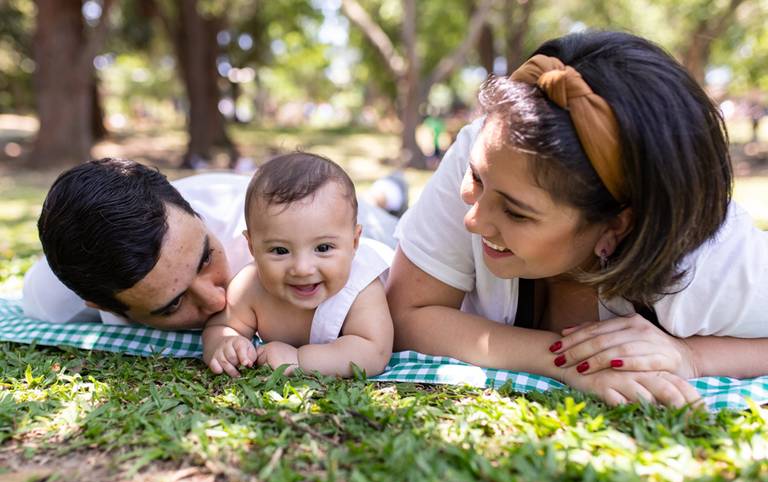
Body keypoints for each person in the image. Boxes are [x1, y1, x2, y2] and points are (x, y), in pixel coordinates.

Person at [386, 31, 768, 408]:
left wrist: (691, 357)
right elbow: (406, 314)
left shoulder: (713, 261)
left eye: (517, 212)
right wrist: (568, 364)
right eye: (477, 179)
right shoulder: (488, 148)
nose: (473, 220)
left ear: (617, 225)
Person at [24, 157, 401, 331]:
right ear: (101, 305)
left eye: (205, 258)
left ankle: (389, 191)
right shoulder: (53, 299)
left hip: (357, 221)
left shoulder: (264, 230)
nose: (219, 301)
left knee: (389, 213)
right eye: (173, 304)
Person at [202, 152, 393, 378]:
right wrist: (225, 344)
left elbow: (372, 352)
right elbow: (222, 326)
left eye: (323, 248)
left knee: (389, 222)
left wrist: (299, 359)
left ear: (354, 243)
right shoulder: (251, 286)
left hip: (389, 241)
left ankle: (390, 190)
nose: (302, 268)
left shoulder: (362, 286)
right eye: (280, 251)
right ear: (252, 247)